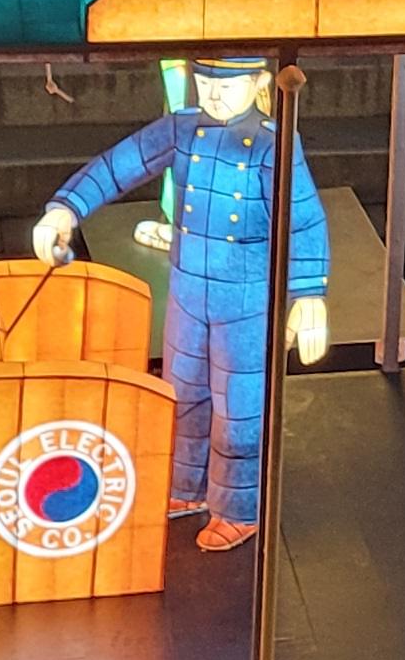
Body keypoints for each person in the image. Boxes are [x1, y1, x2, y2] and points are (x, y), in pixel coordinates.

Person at [29, 54, 331, 550]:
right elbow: (119, 164)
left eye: (227, 85)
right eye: (206, 82)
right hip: (188, 293)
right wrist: (66, 207)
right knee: (183, 394)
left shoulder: (273, 144)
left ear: (257, 82)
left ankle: (239, 508)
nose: (214, 94)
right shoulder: (182, 129)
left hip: (247, 300)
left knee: (240, 409)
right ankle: (185, 487)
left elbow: (304, 218)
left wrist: (309, 294)